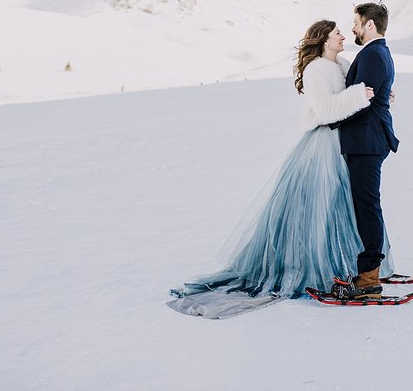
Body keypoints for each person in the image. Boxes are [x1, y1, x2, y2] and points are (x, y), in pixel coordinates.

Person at [168, 20, 394, 319]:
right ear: (324, 40)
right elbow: (327, 110)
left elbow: (358, 95)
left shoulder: (341, 64)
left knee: (340, 210)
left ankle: (347, 268)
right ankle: (302, 269)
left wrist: (377, 98)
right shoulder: (316, 70)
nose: (343, 36)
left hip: (343, 144)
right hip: (323, 146)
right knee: (314, 211)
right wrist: (358, 97)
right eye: (337, 32)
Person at [329, 2, 399, 300]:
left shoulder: (373, 54)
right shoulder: (377, 53)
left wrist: (329, 117)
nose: (353, 28)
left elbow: (362, 99)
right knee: (366, 203)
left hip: (367, 141)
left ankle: (369, 277)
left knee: (367, 205)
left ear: (370, 24)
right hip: (367, 140)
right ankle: (370, 270)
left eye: (356, 22)